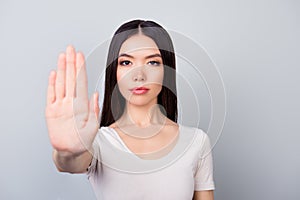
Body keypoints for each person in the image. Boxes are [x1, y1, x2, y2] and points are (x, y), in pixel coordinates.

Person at [45, 19, 215, 200]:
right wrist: (68, 151)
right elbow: (70, 163)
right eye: (126, 63)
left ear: (167, 70)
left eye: (152, 63)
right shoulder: (99, 142)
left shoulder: (196, 142)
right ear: (114, 72)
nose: (139, 75)